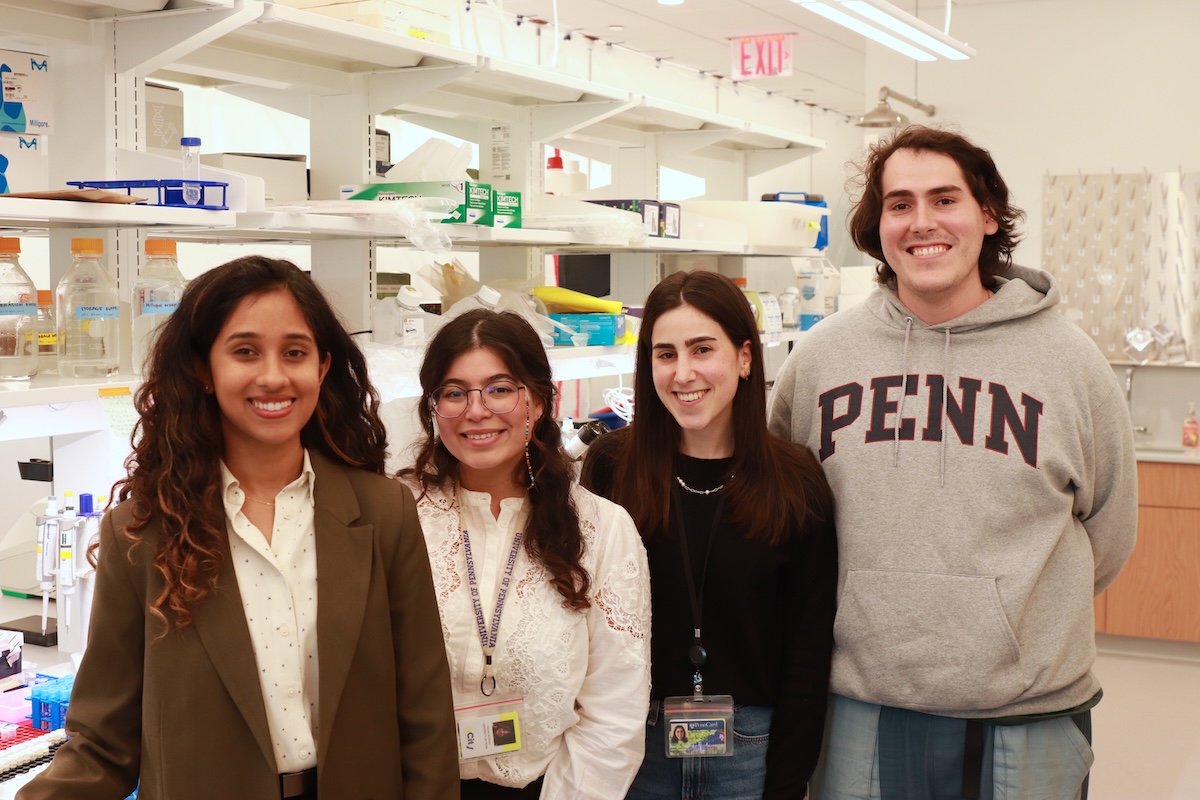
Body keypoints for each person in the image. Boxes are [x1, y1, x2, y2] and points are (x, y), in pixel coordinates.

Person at [768, 126, 1139, 800]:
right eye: (900, 204)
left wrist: (1005, 618)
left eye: (945, 199)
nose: (922, 223)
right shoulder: (822, 358)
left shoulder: (1070, 361)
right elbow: (778, 510)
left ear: (988, 215)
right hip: (860, 700)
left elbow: (1109, 529)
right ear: (878, 224)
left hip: (1030, 709)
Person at [18, 256, 459, 800]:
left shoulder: (383, 512)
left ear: (322, 366)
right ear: (204, 369)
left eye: (294, 352)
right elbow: (104, 743)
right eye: (245, 351)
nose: (273, 376)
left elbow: (426, 717)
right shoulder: (140, 535)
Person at [581, 269, 838, 799]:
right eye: (666, 353)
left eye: (703, 350)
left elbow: (808, 650)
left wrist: (787, 785)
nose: (683, 373)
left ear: (744, 359)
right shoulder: (612, 468)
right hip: (631, 745)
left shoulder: (794, 480)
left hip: (752, 752)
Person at [402, 308, 652, 799]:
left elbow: (614, 712)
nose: (476, 411)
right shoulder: (398, 514)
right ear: (434, 408)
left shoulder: (602, 529)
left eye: (499, 388)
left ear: (536, 402)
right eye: (454, 393)